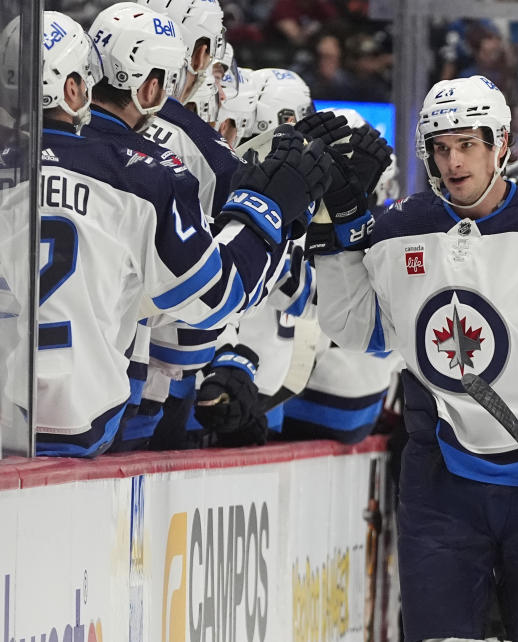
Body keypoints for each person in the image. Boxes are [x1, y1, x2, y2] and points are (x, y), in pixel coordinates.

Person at [307, 75, 518, 641]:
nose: (453, 162)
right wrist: (338, 238)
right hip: (443, 483)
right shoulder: (397, 231)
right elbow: (359, 331)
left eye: (467, 144)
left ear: (501, 143)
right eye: (441, 148)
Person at [24, 9, 331, 456]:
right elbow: (211, 301)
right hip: (89, 420)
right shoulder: (146, 176)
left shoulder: (18, 165)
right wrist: (271, 212)